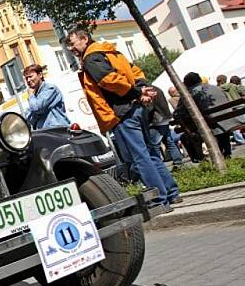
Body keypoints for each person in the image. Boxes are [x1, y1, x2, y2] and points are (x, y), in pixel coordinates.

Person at [66, 28, 180, 208]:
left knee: (140, 157)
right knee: (150, 153)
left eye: (72, 44)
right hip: (136, 108)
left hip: (121, 113)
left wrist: (135, 91)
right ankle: (172, 193)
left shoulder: (91, 58)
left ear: (84, 39)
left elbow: (108, 80)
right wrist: (141, 90)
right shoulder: (111, 51)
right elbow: (136, 72)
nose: (70, 48)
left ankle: (159, 199)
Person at [174, 72, 239, 158]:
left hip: (211, 125)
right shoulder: (216, 88)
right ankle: (226, 154)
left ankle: (201, 159)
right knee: (216, 122)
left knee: (185, 137)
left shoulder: (188, 94)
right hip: (230, 120)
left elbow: (177, 114)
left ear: (187, 84)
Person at [23, 64, 70, 129]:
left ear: (40, 75)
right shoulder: (35, 96)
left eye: (30, 76)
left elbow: (37, 108)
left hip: (57, 130)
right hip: (44, 132)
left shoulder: (50, 89)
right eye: (26, 78)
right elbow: (28, 117)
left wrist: (31, 95)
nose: (28, 80)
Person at [148, 86, 184, 167]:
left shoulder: (148, 91)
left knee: (155, 145)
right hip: (164, 118)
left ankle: (159, 166)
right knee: (169, 142)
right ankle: (178, 162)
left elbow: (150, 107)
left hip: (155, 120)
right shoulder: (157, 88)